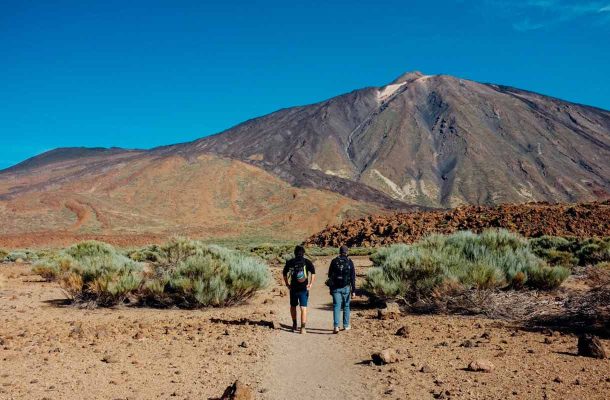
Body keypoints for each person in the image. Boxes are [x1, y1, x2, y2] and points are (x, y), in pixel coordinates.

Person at [283, 245, 316, 334]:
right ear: (303, 253)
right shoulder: (307, 262)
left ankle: (294, 325)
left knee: (293, 306)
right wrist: (310, 284)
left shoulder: (290, 262)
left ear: (295, 253)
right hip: (303, 288)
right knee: (303, 308)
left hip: (293, 288)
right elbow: (313, 273)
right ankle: (303, 328)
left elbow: (284, 273)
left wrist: (287, 284)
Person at [328, 245, 356, 334]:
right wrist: (354, 291)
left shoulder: (334, 261)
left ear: (339, 251)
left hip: (336, 287)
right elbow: (352, 277)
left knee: (337, 306)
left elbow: (329, 275)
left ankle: (336, 326)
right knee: (346, 306)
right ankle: (346, 325)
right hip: (346, 287)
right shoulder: (349, 262)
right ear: (347, 252)